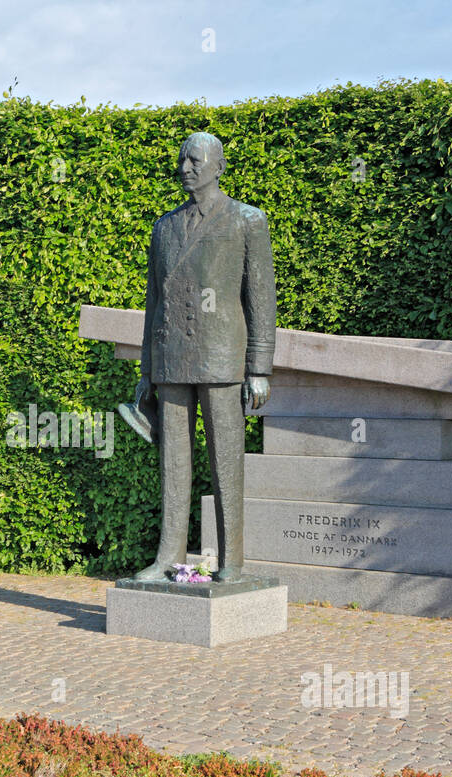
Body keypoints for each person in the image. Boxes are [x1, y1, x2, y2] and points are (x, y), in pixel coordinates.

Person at [131, 132, 276, 582]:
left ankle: (231, 560)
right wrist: (147, 369)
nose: (185, 167)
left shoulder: (247, 221)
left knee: (225, 461)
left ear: (218, 166)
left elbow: (261, 298)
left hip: (221, 358)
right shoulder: (164, 227)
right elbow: (154, 301)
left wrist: (259, 367)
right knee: (173, 461)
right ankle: (168, 557)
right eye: (181, 160)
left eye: (194, 160)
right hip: (173, 357)